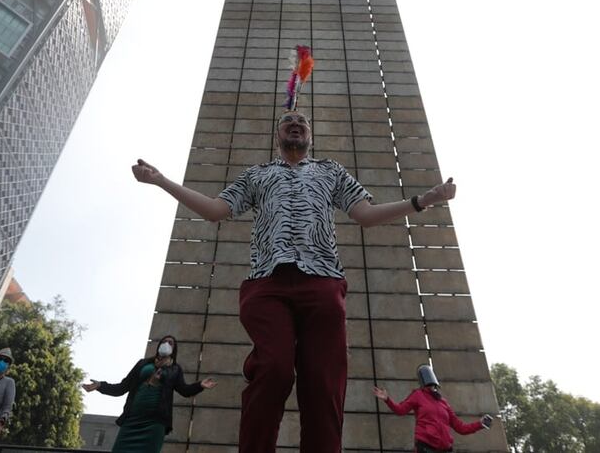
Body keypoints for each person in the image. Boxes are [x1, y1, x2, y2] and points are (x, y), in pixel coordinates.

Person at [132, 111, 457, 453]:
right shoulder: (256, 175)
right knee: (273, 369)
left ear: (310, 135)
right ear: (278, 135)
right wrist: (161, 180)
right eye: (287, 120)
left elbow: (366, 215)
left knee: (324, 384)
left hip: (323, 283)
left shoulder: (330, 171)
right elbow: (214, 210)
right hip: (267, 285)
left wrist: (422, 201)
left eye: (302, 121)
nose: (296, 122)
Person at [82, 335, 216, 453]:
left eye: (170, 343)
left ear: (174, 349)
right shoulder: (143, 364)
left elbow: (184, 390)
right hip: (132, 419)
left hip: (154, 423)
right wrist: (100, 385)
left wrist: (200, 385)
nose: (166, 344)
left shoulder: (175, 369)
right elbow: (122, 387)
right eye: (164, 342)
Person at [373, 364, 492, 453]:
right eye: (429, 384)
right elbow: (400, 410)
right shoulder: (418, 395)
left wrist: (480, 424)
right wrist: (387, 399)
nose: (432, 387)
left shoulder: (443, 402)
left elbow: (461, 428)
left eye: (433, 385)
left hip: (445, 449)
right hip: (426, 447)